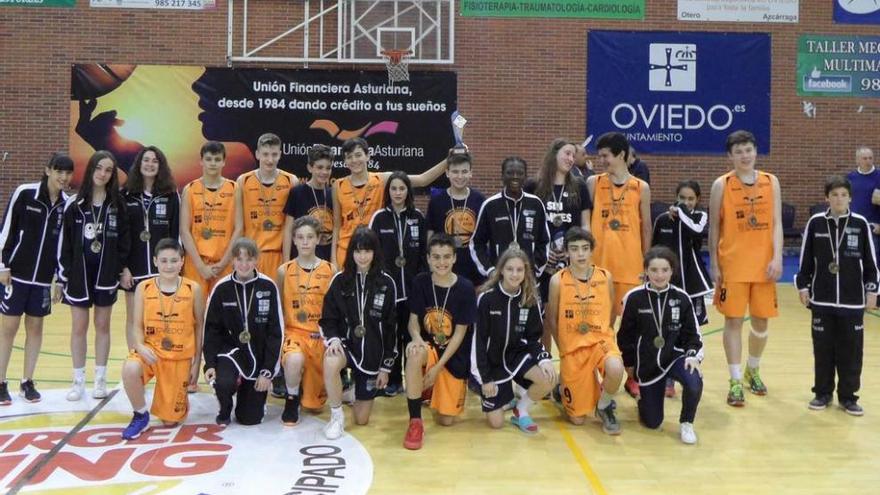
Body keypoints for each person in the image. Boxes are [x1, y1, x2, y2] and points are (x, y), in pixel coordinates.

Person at [709, 130, 782, 407]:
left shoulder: (770, 181)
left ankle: (754, 368)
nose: (744, 155)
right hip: (733, 265)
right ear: (730, 156)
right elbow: (714, 228)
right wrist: (714, 263)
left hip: (764, 265)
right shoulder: (721, 185)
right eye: (738, 151)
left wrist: (776, 258)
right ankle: (735, 379)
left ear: (755, 151)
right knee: (733, 322)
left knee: (761, 322)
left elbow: (776, 223)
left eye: (748, 150)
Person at [796, 176, 878, 416]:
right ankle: (822, 393)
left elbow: (871, 263)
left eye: (843, 194)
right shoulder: (815, 223)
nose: (839, 199)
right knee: (823, 350)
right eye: (834, 195)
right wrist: (803, 287)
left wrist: (872, 289)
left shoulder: (861, 224)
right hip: (821, 300)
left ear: (850, 197)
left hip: (852, 302)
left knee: (851, 351)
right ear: (826, 198)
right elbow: (805, 261)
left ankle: (848, 397)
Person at [0, 153, 73, 404]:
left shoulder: (67, 204)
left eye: (67, 173)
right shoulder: (25, 193)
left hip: (42, 279)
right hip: (15, 275)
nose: (63, 177)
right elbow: (6, 228)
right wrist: (2, 265)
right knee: (8, 328)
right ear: (48, 170)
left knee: (35, 328)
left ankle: (27, 381)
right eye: (59, 171)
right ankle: (0, 382)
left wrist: (60, 280)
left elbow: (64, 246)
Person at [58, 150, 130, 401]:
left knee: (102, 325)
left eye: (108, 170)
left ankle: (100, 379)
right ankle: (78, 381)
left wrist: (121, 269)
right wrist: (62, 276)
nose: (103, 173)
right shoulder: (74, 203)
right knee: (79, 327)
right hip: (79, 276)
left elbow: (124, 241)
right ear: (91, 169)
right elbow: (64, 243)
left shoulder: (117, 204)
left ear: (112, 175)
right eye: (99, 168)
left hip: (106, 275)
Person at [587, 132, 651, 399]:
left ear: (621, 155)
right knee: (602, 326)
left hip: (631, 268)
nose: (601, 160)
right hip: (600, 267)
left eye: (605, 156)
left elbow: (646, 227)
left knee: (633, 328)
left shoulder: (640, 187)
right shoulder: (593, 183)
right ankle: (603, 375)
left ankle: (633, 376)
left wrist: (647, 265)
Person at [618, 246, 704, 444]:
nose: (659, 275)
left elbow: (693, 335)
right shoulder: (634, 298)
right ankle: (644, 402)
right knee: (653, 422)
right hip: (648, 366)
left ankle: (687, 423)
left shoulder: (682, 298)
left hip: (674, 357)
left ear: (672, 271)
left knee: (694, 380)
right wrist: (629, 365)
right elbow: (625, 336)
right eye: (654, 270)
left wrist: (692, 355)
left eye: (665, 270)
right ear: (646, 271)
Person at [120, 238, 204, 439]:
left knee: (170, 422)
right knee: (130, 368)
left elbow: (199, 326)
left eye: (174, 260)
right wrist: (139, 346)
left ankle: (178, 392)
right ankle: (140, 415)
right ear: (155, 261)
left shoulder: (193, 289)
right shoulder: (144, 287)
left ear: (182, 262)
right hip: (152, 352)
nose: (169, 266)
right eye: (164, 261)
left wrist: (196, 363)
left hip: (179, 357)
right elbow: (136, 324)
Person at [320, 226, 397, 439]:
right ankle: (336, 416)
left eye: (367, 251)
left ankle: (350, 392)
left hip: (373, 352)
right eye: (357, 251)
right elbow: (327, 317)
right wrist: (333, 339)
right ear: (351, 252)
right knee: (330, 360)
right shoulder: (340, 280)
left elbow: (392, 328)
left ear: (375, 253)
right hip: (347, 345)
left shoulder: (387, 283)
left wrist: (386, 367)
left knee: (361, 420)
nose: (362, 257)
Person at [545, 228, 624, 435]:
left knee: (616, 368)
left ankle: (604, 405)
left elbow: (613, 311)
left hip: (600, 342)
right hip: (573, 347)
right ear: (567, 253)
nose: (580, 254)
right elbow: (552, 319)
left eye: (585, 249)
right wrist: (562, 347)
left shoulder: (605, 277)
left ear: (591, 251)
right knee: (577, 420)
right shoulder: (557, 281)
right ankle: (564, 386)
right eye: (574, 249)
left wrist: (606, 334)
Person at [401, 233, 477, 449]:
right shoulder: (421, 282)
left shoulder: (465, 288)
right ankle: (415, 421)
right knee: (415, 352)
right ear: (428, 259)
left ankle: (428, 388)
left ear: (454, 258)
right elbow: (413, 323)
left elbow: (460, 334)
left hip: (452, 356)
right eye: (436, 257)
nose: (441, 262)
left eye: (446, 257)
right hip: (430, 349)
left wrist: (437, 369)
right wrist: (416, 339)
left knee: (446, 420)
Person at [471, 248, 556, 433]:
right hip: (492, 364)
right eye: (510, 269)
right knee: (496, 423)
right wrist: (485, 379)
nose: (514, 274)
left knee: (549, 379)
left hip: (516, 357)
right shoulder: (486, 299)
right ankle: (503, 395)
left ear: (525, 272)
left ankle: (521, 410)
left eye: (519, 270)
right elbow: (478, 342)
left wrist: (544, 359)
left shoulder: (530, 299)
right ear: (501, 270)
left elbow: (534, 338)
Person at [331, 137, 450, 266]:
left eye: (358, 155)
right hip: (346, 251)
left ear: (368, 156)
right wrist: (333, 260)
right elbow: (337, 226)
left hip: (373, 250)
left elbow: (422, 180)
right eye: (349, 157)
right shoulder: (338, 185)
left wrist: (449, 160)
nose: (354, 160)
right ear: (344, 161)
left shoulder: (381, 179)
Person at [204, 237, 283, 425]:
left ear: (257, 260)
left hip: (258, 354)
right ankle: (225, 406)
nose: (244, 264)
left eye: (249, 259)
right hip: (230, 352)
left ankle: (248, 392)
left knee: (249, 419)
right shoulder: (221, 288)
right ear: (233, 260)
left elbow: (276, 332)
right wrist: (210, 364)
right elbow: (211, 329)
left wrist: (268, 371)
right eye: (239, 259)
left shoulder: (268, 287)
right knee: (223, 383)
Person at [651, 180, 712, 398]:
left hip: (693, 286)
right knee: (667, 330)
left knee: (690, 332)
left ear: (698, 201)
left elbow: (695, 230)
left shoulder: (699, 217)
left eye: (691, 199)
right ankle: (666, 378)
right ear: (675, 197)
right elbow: (654, 250)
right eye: (682, 198)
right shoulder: (663, 219)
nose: (686, 202)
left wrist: (682, 211)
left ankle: (690, 372)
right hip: (668, 286)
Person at [369, 171, 427, 396]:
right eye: (393, 189)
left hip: (412, 290)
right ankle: (392, 381)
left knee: (410, 334)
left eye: (402, 188)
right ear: (388, 191)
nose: (398, 193)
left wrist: (421, 283)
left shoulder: (418, 218)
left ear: (408, 191)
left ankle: (411, 377)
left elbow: (424, 253)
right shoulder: (379, 218)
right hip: (389, 290)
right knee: (389, 334)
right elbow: (372, 253)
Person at [277, 216, 336, 425]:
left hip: (320, 337)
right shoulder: (284, 270)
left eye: (310, 237)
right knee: (294, 360)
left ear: (318, 240)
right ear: (293, 239)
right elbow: (280, 308)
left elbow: (334, 310)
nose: (305, 242)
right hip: (295, 333)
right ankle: (291, 398)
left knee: (314, 407)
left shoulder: (330, 271)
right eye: (300, 237)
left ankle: (307, 387)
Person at [120, 146, 180, 349]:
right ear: (139, 164)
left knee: (160, 319)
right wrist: (124, 267)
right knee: (134, 319)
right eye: (146, 160)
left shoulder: (171, 195)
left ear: (160, 166)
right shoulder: (125, 194)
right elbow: (120, 234)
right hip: (133, 270)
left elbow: (175, 233)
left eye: (155, 161)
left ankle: (159, 367)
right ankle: (134, 362)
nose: (150, 164)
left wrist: (174, 267)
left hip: (162, 269)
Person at [528, 138, 592, 314]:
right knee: (542, 313)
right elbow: (528, 227)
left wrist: (577, 251)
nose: (571, 159)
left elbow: (586, 224)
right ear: (554, 154)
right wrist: (540, 253)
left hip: (569, 259)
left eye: (573, 155)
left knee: (569, 311)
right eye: (567, 153)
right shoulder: (534, 186)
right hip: (541, 260)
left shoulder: (579, 186)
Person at [470, 157, 551, 280]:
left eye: (520, 173)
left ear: (525, 176)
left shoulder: (536, 204)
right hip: (498, 278)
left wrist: (534, 269)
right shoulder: (490, 205)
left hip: (528, 278)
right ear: (502, 176)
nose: (515, 177)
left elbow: (544, 241)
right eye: (509, 172)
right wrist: (490, 270)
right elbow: (477, 243)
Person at [180, 141, 243, 295]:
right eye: (208, 159)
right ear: (201, 161)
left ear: (224, 162)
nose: (212, 163)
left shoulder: (234, 188)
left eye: (217, 159)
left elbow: (239, 228)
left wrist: (223, 263)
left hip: (224, 263)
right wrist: (200, 266)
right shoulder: (190, 189)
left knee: (223, 314)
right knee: (196, 315)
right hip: (196, 264)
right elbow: (184, 230)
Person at [237, 133, 298, 277]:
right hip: (250, 256)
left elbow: (291, 226)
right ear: (257, 154)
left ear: (280, 155)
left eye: (274, 154)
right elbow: (238, 225)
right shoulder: (243, 181)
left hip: (278, 256)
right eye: (265, 154)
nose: (270, 160)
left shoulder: (291, 181)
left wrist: (287, 261)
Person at [426, 148, 486, 284]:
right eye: (455, 171)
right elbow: (430, 234)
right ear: (447, 173)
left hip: (474, 271)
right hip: (444, 268)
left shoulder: (480, 200)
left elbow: (485, 237)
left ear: (471, 173)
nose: (460, 176)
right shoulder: (437, 201)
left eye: (464, 172)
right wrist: (431, 265)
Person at [283, 144, 334, 262]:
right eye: (320, 167)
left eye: (328, 168)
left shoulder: (333, 193)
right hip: (301, 259)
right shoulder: (297, 192)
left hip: (327, 260)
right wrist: (286, 262)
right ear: (310, 168)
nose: (324, 172)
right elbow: (288, 230)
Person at [845, 147, 880, 256]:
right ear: (857, 160)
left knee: (873, 259)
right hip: (853, 225)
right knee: (853, 258)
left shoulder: (879, 176)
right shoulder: (850, 178)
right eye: (865, 158)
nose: (868, 161)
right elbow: (846, 201)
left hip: (873, 227)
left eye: (870, 158)